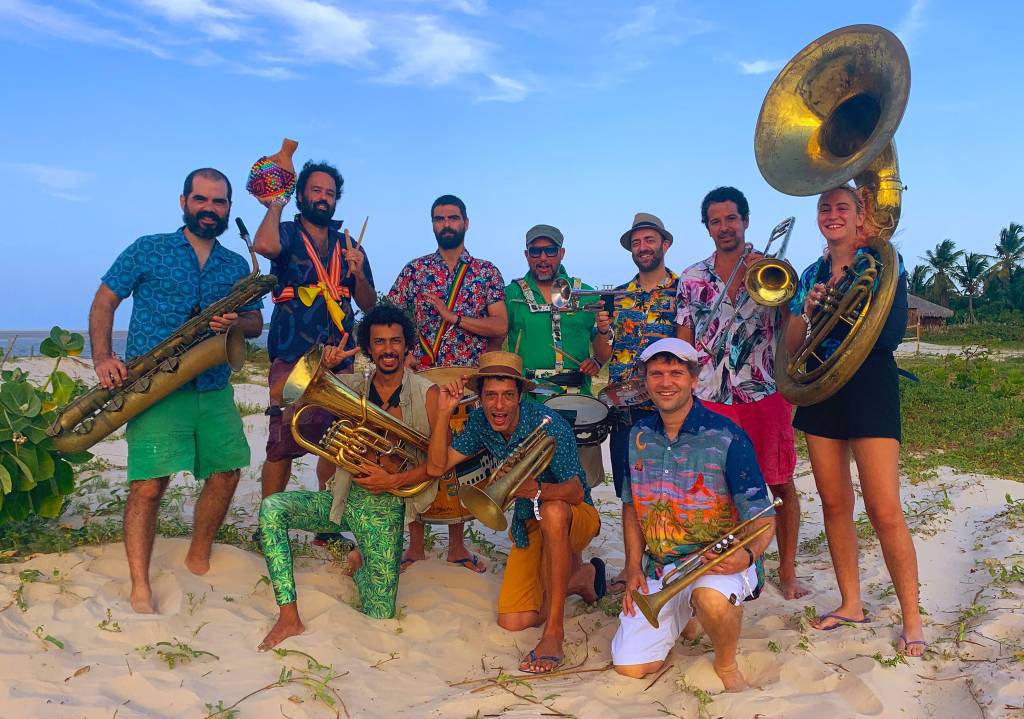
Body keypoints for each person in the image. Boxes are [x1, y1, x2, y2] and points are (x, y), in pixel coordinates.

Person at [89, 168, 264, 613]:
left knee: (227, 473)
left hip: (213, 384)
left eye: (219, 202)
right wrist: (104, 358)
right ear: (184, 201)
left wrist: (236, 322)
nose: (210, 209)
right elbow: (105, 300)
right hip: (156, 385)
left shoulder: (235, 264)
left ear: (228, 208)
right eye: (201, 200)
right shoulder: (148, 248)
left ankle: (199, 554)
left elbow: (256, 323)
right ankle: (140, 586)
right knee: (149, 486)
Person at [783, 185, 924, 655]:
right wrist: (810, 308)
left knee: (885, 508)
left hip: (869, 383)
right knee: (834, 502)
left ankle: (912, 619)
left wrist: (843, 306)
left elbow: (892, 330)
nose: (832, 214)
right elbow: (793, 342)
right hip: (822, 385)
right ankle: (851, 603)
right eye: (824, 208)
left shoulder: (883, 262)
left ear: (861, 214)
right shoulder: (810, 274)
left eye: (842, 207)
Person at [256, 304, 442, 649]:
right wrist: (320, 363)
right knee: (272, 510)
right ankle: (288, 616)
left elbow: (437, 464)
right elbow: (280, 393)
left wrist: (392, 481)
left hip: (384, 513)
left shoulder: (426, 392)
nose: (388, 349)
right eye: (380, 342)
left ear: (407, 346)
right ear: (369, 349)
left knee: (379, 615)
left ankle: (358, 561)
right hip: (342, 500)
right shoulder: (352, 384)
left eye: (395, 341)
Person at [611, 338, 776, 692]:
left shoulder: (727, 435)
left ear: (693, 378)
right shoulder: (636, 436)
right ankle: (685, 614)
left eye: (675, 373)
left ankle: (726, 662)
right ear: (645, 381)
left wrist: (746, 556)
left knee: (710, 598)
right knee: (631, 666)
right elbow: (631, 506)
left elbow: (763, 517)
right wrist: (634, 568)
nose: (666, 382)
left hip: (718, 561)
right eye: (656, 373)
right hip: (662, 566)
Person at [426, 352, 605, 674]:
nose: (499, 406)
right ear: (479, 399)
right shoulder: (480, 422)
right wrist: (443, 414)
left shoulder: (550, 425)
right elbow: (437, 466)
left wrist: (536, 490)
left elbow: (577, 491)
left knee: (553, 511)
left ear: (521, 396)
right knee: (513, 622)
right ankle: (579, 577)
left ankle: (554, 633)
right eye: (491, 396)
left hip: (575, 516)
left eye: (508, 396)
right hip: (529, 521)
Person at [675, 186, 807, 600]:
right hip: (711, 394)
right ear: (707, 227)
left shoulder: (775, 268)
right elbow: (683, 338)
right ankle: (722, 570)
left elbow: (792, 327)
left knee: (780, 483)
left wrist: (775, 275)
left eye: (731, 218)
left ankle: (786, 573)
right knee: (712, 486)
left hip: (764, 391)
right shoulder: (692, 278)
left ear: (746, 221)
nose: (724, 227)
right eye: (715, 221)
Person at [252, 160, 376, 545]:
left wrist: (356, 273)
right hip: (294, 353)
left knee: (338, 443)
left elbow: (369, 305)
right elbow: (264, 246)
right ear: (302, 195)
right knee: (282, 441)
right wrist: (276, 203)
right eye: (316, 191)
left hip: (341, 354)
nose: (323, 198)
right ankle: (269, 525)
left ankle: (328, 524)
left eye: (330, 193)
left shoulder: (349, 245)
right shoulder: (287, 232)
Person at [388, 194, 507, 573]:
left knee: (460, 459)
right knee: (417, 454)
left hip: (466, 382)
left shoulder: (486, 272)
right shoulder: (415, 270)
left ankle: (457, 547)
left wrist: (452, 317)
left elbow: (499, 327)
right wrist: (403, 350)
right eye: (439, 219)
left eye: (453, 218)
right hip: (420, 379)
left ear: (466, 223)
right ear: (433, 224)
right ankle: (416, 545)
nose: (446, 224)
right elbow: (392, 313)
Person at [592, 212, 679, 592]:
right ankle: (633, 568)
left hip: (668, 408)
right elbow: (602, 354)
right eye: (636, 243)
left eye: (649, 240)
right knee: (630, 491)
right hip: (625, 409)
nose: (642, 248)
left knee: (670, 487)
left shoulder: (684, 290)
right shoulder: (616, 295)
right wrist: (602, 330)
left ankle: (668, 564)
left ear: (665, 244)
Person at [504, 223, 607, 488]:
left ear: (561, 253)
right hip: (530, 401)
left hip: (577, 400)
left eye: (549, 250)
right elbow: (494, 336)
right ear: (526, 255)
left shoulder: (585, 293)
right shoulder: (511, 294)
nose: (542, 257)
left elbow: (602, 346)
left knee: (578, 481)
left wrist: (596, 360)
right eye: (535, 251)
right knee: (530, 483)